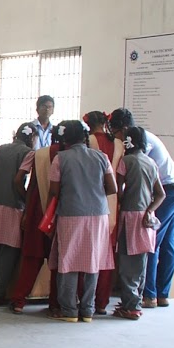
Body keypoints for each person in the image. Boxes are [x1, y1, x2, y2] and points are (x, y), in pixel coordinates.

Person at [108, 108, 174, 308]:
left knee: (150, 243)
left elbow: (139, 175)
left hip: (167, 192)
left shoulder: (141, 145)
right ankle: (162, 295)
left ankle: (149, 295)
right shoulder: (144, 138)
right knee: (167, 244)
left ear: (124, 129)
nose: (117, 138)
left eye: (116, 133)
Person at [48, 120, 117, 323]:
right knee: (92, 261)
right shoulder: (102, 157)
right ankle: (87, 310)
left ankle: (69, 310)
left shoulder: (60, 159)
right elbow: (112, 188)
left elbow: (54, 191)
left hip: (71, 213)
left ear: (66, 139)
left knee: (68, 260)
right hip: (98, 215)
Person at [9, 127, 65, 315]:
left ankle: (19, 300)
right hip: (61, 212)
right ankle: (55, 304)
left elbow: (27, 182)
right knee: (58, 262)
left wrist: (27, 207)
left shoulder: (39, 154)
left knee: (32, 259)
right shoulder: (70, 155)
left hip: (37, 209)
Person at [0, 121, 34, 306]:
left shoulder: (1, 148)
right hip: (12, 207)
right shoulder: (28, 153)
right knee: (8, 255)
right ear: (32, 137)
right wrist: (26, 199)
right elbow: (19, 180)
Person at [114, 126, 166, 320]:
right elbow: (161, 194)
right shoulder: (151, 162)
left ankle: (131, 306)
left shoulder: (125, 161)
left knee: (127, 263)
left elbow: (118, 190)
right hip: (146, 219)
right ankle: (135, 302)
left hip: (129, 217)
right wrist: (150, 210)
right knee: (140, 263)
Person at [84, 110, 123, 315]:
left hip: (93, 198)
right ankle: (101, 301)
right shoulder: (118, 144)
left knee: (88, 250)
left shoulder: (88, 141)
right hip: (113, 199)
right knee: (107, 253)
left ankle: (85, 299)